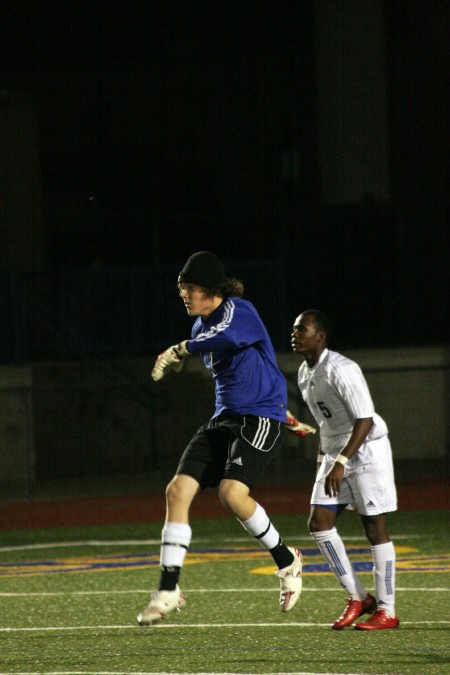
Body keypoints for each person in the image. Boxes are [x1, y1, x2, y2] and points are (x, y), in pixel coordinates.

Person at [137, 251, 303, 625]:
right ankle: (167, 590)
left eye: (189, 288)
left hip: (258, 417)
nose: (183, 294)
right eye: (182, 288)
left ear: (210, 289)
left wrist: (180, 349)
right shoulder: (200, 328)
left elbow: (227, 335)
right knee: (176, 491)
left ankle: (287, 561)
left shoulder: (237, 311)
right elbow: (247, 370)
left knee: (231, 494)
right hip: (225, 417)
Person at [290, 309, 399, 630]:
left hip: (366, 451)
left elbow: (364, 419)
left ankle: (388, 611)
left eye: (301, 330)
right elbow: (327, 423)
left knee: (374, 527)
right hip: (336, 454)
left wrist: (340, 462)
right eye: (294, 330)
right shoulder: (303, 372)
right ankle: (357, 597)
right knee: (319, 521)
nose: (294, 334)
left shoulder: (342, 368)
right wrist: (324, 458)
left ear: (319, 336)